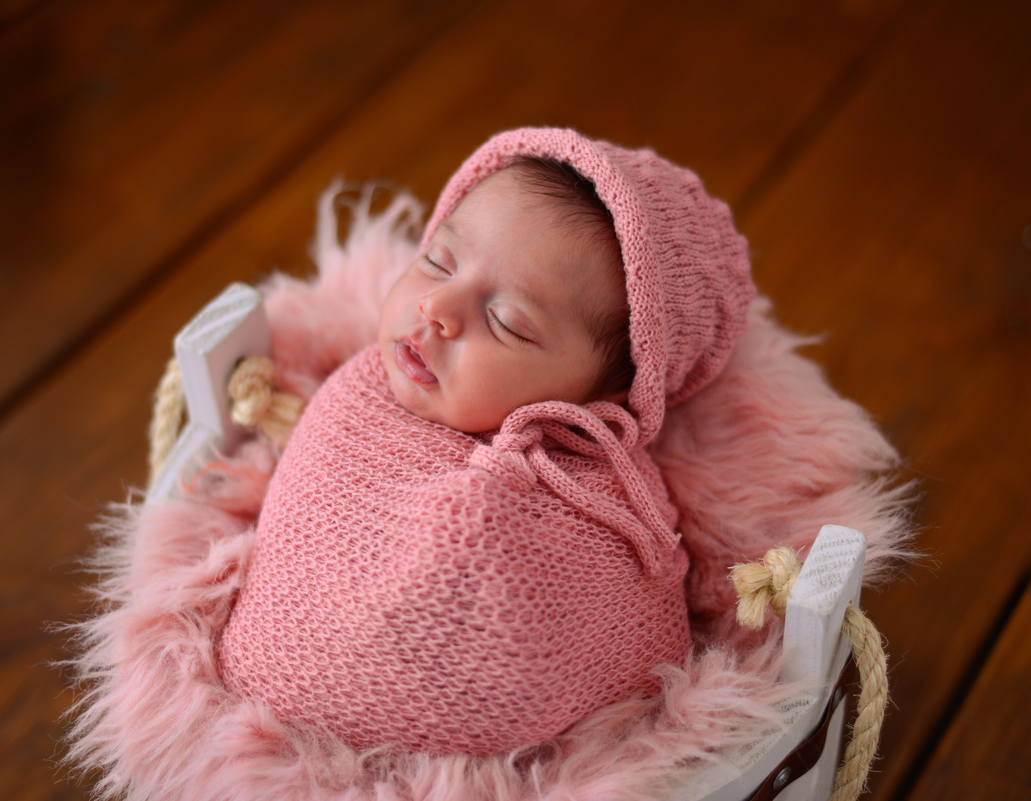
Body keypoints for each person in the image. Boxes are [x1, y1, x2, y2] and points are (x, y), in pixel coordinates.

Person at [217, 127, 756, 756]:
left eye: (505, 322)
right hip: (248, 732)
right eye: (438, 261)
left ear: (610, 393)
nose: (437, 307)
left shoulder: (603, 514)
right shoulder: (362, 389)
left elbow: (621, 648)